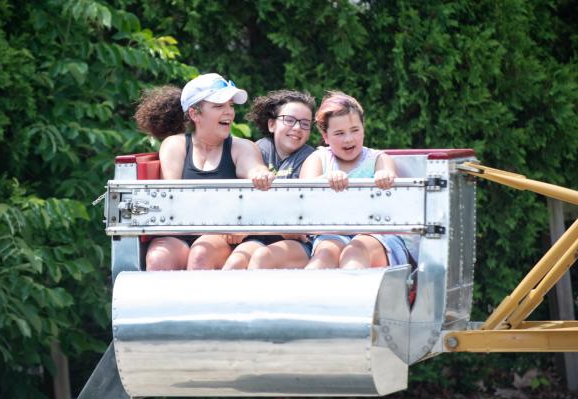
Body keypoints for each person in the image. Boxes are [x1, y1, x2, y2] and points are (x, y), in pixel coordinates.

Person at [134, 73, 275, 271]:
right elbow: (172, 197)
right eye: (219, 106)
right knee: (158, 258)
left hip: (222, 235)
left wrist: (261, 174)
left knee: (201, 254)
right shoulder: (175, 145)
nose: (229, 112)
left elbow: (254, 168)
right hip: (181, 232)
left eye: (231, 105)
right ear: (195, 114)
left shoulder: (241, 147)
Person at [300, 91, 413, 269]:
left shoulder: (378, 158)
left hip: (375, 235)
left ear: (363, 128)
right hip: (333, 233)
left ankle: (351, 294)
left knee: (354, 252)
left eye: (355, 130)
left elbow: (392, 191)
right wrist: (324, 180)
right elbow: (303, 195)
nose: (349, 139)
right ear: (325, 136)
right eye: (339, 133)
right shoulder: (318, 158)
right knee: (324, 256)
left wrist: (384, 177)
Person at [222, 90, 316, 270]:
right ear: (272, 124)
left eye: (305, 124)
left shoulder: (311, 158)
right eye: (289, 120)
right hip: (259, 237)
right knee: (235, 263)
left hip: (299, 242)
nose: (297, 128)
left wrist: (248, 229)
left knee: (262, 258)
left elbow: (296, 226)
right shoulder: (255, 151)